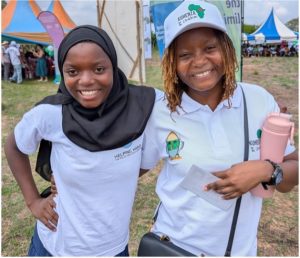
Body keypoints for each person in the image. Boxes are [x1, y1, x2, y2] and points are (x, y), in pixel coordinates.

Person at [140, 1, 298, 256]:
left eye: (210, 48)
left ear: (226, 48)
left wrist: (266, 170)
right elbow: (123, 173)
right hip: (174, 249)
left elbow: (291, 176)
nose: (199, 61)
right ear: (172, 62)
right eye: (185, 55)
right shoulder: (160, 111)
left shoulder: (259, 100)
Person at [4, 25, 156, 256]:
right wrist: (33, 201)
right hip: (56, 246)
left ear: (113, 67)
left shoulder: (142, 107)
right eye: (73, 71)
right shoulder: (51, 113)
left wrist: (103, 179)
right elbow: (13, 146)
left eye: (98, 69)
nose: (86, 80)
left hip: (112, 248)